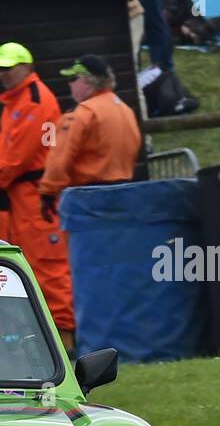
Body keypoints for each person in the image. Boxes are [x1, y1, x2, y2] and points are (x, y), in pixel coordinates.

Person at [0, 42, 75, 348]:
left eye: (9, 68)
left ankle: (67, 343)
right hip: (18, 198)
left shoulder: (35, 101)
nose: (4, 74)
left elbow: (14, 160)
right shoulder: (15, 101)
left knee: (48, 267)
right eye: (1, 69)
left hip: (35, 197)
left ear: (27, 67)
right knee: (19, 268)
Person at [39, 54, 142, 204]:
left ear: (88, 81)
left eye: (73, 79)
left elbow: (59, 157)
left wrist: (47, 192)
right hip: (124, 194)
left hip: (88, 198)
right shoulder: (125, 110)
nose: (70, 84)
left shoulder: (82, 113)